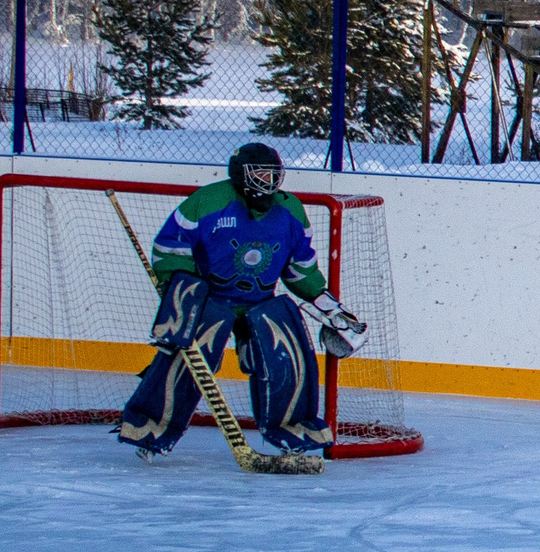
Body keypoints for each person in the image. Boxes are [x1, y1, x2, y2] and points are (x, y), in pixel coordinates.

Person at [118, 143, 364, 457]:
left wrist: (327, 304)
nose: (268, 181)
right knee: (187, 359)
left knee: (289, 353)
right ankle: (149, 428)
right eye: (260, 173)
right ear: (240, 174)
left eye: (273, 174)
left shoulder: (291, 211)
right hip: (210, 300)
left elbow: (299, 268)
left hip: (260, 301)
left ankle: (292, 429)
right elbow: (170, 247)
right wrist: (182, 289)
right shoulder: (208, 201)